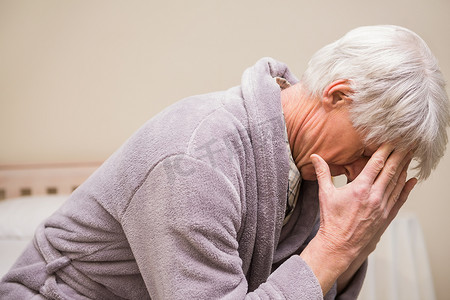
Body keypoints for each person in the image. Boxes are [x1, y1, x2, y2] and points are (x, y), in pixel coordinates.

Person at [1, 25, 449, 299]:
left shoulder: (308, 166)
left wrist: (357, 241)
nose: (359, 175)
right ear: (337, 95)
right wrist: (337, 248)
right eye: (367, 154)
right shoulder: (195, 159)